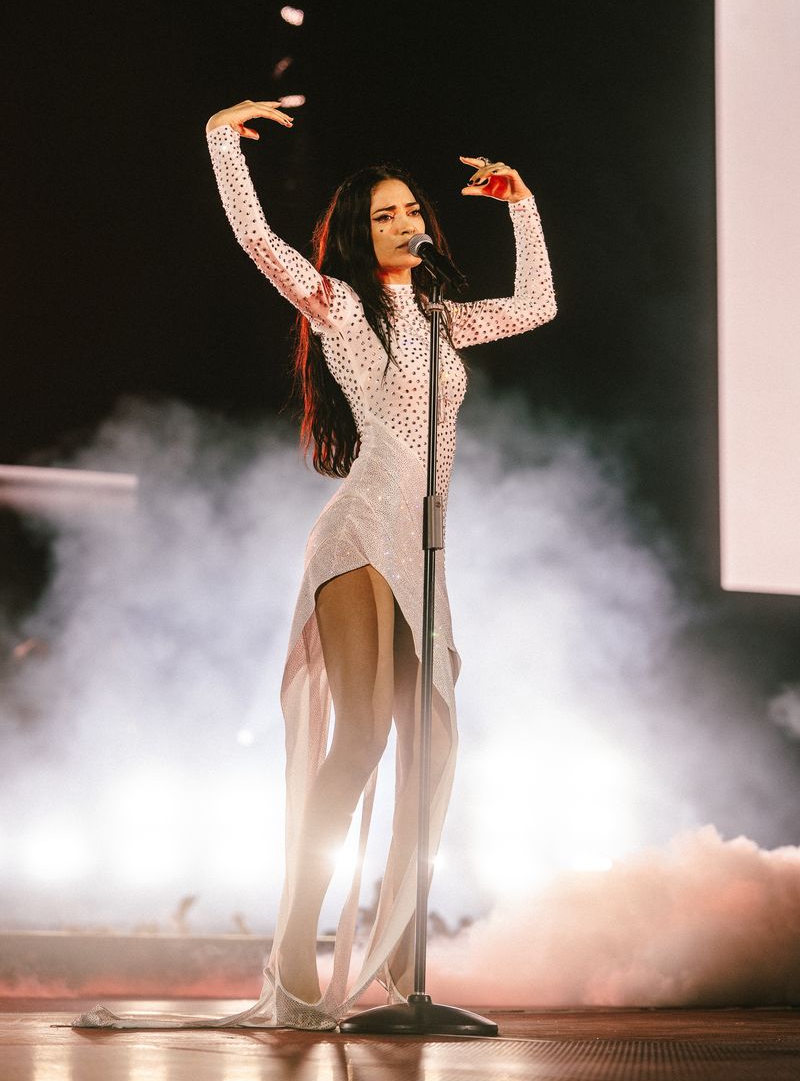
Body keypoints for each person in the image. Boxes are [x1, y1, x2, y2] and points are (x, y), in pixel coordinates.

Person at [73, 98, 556, 1033]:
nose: (404, 223)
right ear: (356, 235)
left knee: (430, 742)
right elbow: (258, 239)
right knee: (363, 738)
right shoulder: (336, 303)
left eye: (412, 210)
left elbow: (537, 304)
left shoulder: (446, 320)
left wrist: (522, 207)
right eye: (384, 215)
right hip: (360, 529)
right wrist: (220, 138)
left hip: (423, 543)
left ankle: (397, 964)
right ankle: (295, 946)